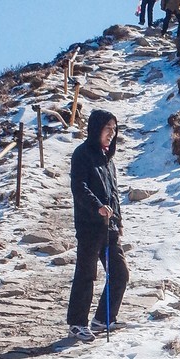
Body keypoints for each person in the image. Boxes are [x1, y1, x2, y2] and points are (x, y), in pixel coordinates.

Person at [67, 109, 129, 340]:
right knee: (86, 274)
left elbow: (113, 192)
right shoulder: (82, 154)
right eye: (107, 129)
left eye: (114, 130)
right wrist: (97, 207)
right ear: (95, 129)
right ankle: (77, 323)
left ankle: (103, 319)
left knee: (120, 273)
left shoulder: (107, 159)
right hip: (89, 225)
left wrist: (118, 220)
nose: (111, 134)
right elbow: (79, 187)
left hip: (109, 226)